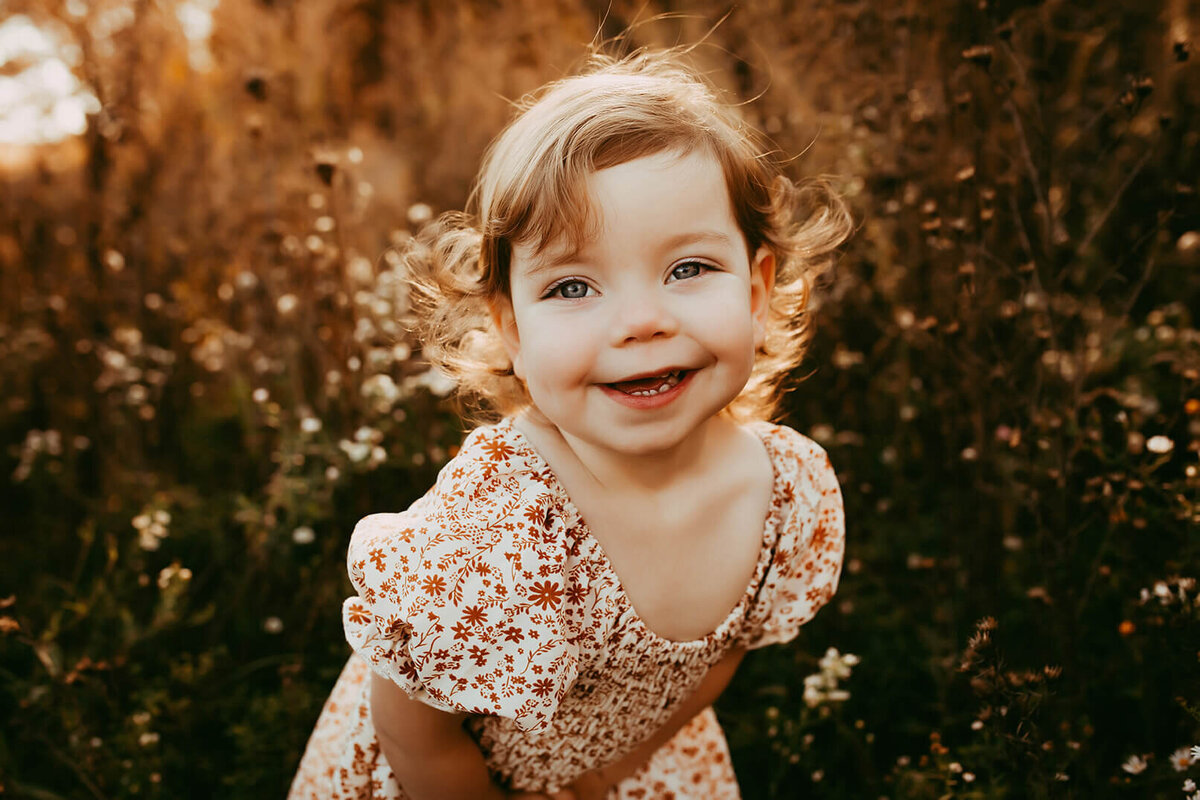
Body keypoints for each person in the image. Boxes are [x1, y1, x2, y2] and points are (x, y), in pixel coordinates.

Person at [288, 46, 852, 800]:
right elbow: (414, 732)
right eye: (574, 285)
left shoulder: (782, 491)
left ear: (756, 292)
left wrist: (611, 772)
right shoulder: (501, 525)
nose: (643, 322)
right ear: (511, 327)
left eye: (688, 269)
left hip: (634, 764)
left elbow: (723, 656)